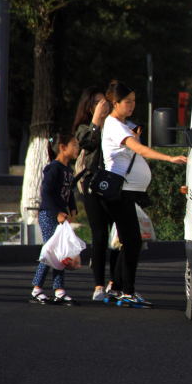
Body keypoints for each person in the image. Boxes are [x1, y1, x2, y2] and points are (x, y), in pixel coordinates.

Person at [102, 81, 187, 308]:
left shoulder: (122, 125)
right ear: (115, 103)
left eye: (134, 102)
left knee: (128, 241)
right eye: (127, 102)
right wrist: (170, 158)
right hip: (122, 192)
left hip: (129, 192)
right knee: (132, 242)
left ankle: (117, 289)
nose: (132, 106)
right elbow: (139, 150)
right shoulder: (114, 125)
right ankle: (126, 292)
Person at [73, 86, 119, 301]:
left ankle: (115, 283)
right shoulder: (85, 128)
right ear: (89, 107)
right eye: (97, 103)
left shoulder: (116, 125)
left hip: (116, 184)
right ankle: (99, 286)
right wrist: (97, 122)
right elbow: (86, 143)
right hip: (93, 184)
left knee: (117, 235)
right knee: (100, 235)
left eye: (105, 102)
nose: (103, 105)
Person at [29, 132, 80, 306]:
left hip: (60, 217)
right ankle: (37, 290)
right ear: (63, 147)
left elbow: (69, 191)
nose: (78, 148)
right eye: (74, 144)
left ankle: (60, 291)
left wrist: (72, 208)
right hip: (49, 215)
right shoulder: (54, 168)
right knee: (51, 252)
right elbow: (46, 193)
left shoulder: (68, 169)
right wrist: (57, 212)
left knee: (60, 254)